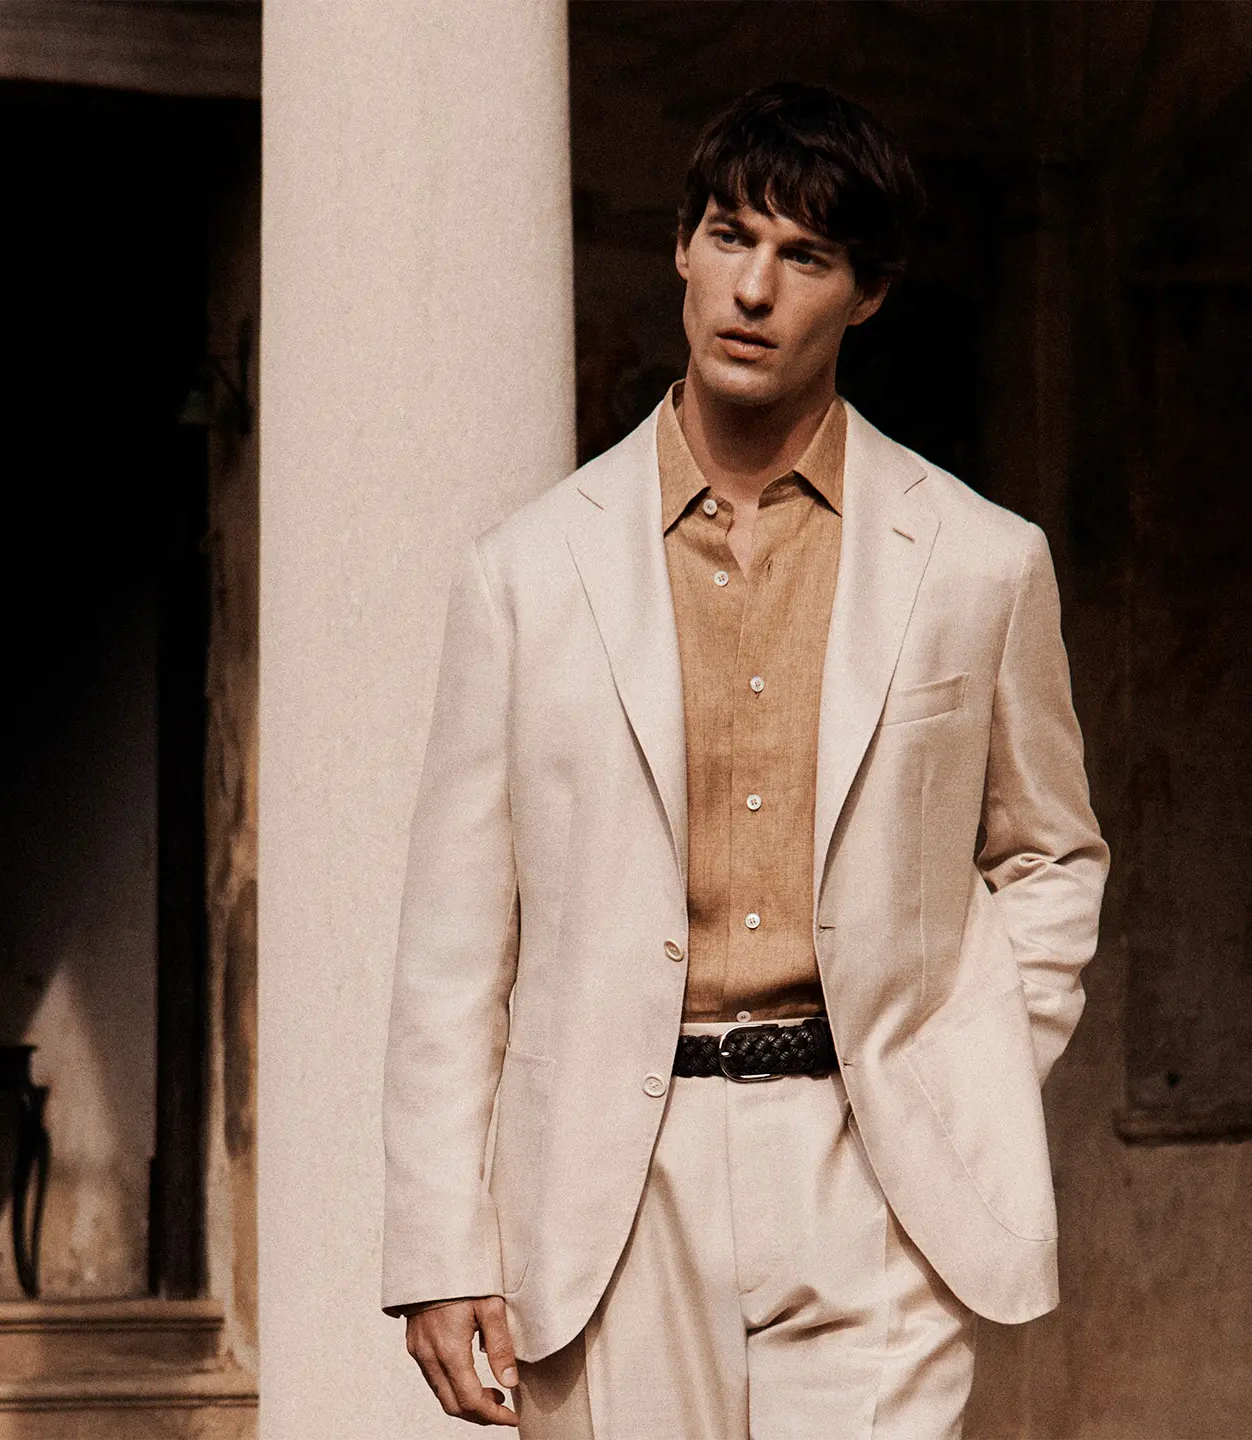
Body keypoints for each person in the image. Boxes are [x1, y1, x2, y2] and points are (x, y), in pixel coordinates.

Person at [380, 81, 1107, 1438]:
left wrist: (981, 1049)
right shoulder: (528, 574)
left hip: (872, 1162)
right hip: (614, 1177)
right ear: (680, 249)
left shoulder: (979, 561)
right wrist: (439, 1240)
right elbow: (454, 934)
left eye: (804, 256)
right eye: (730, 237)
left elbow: (1052, 847)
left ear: (867, 293)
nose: (754, 289)